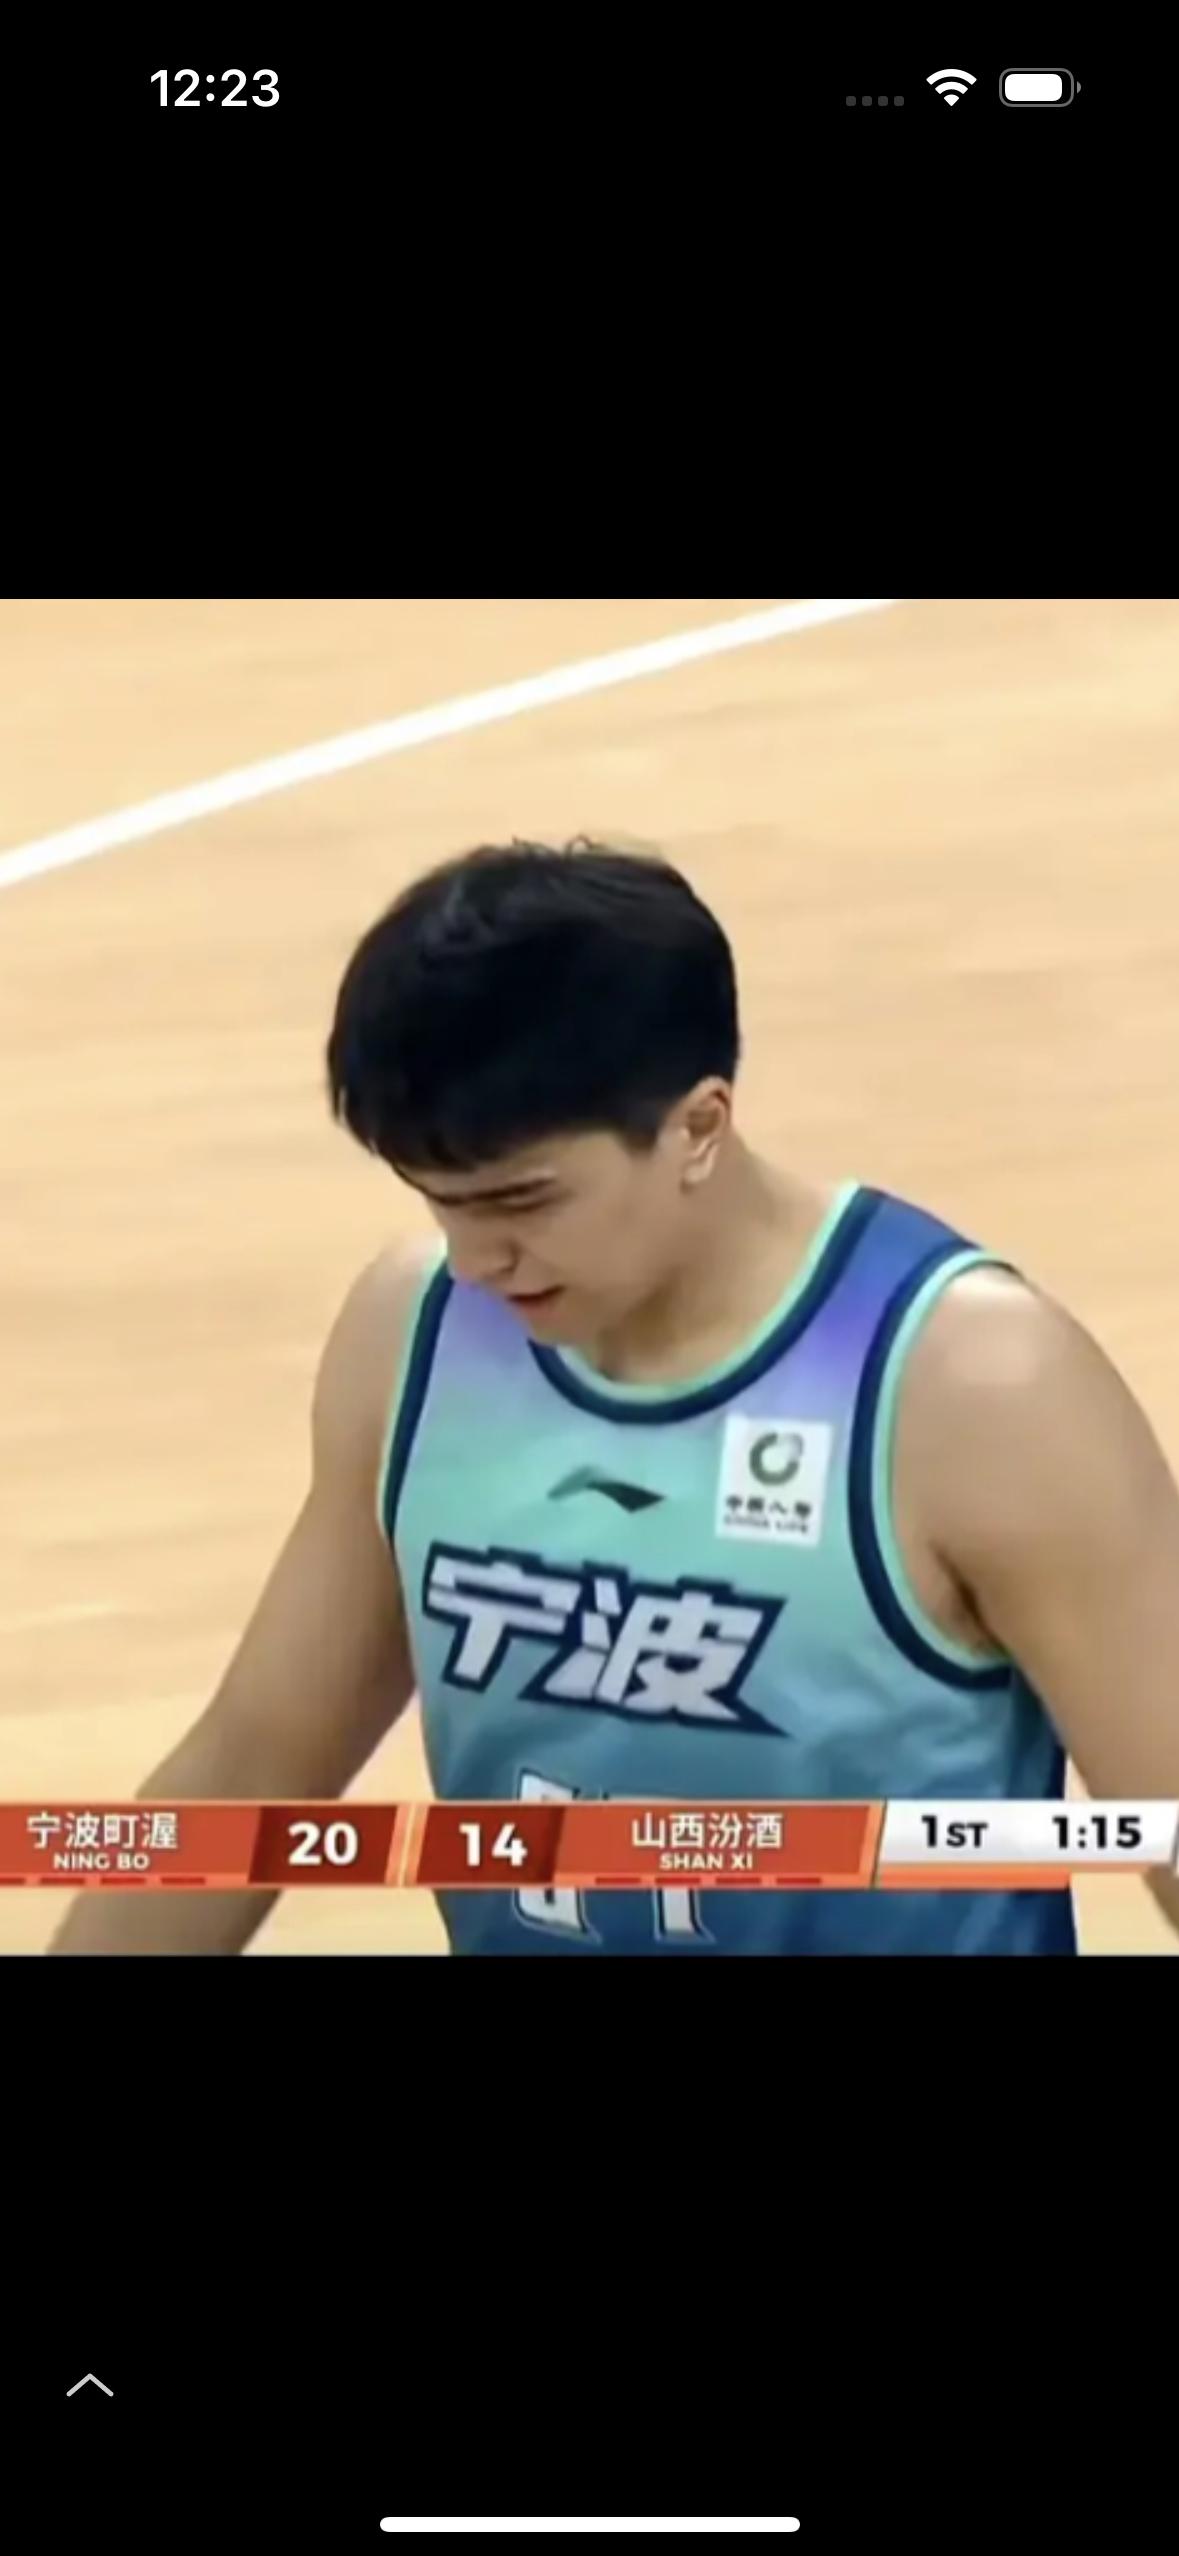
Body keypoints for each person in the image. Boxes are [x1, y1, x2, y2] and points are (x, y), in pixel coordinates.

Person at [51, 839, 1179, 1955]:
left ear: (697, 1128)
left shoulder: (969, 1388)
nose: (478, 1259)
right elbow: (252, 1765)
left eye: (523, 1202)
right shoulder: (415, 1337)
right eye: (440, 1203)